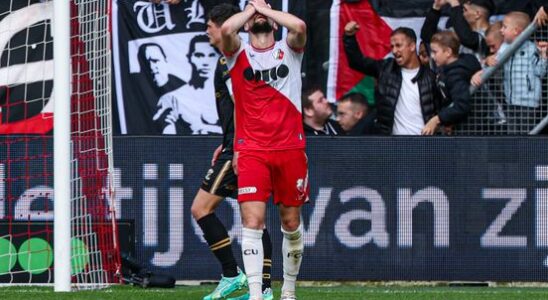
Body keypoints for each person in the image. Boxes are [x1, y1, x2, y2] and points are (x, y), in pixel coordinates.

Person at [221, 1, 308, 299]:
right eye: (252, 12)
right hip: (252, 149)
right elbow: (226, 29)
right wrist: (252, 10)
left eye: (265, 11)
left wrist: (264, 11)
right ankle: (257, 294)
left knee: (291, 223)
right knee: (252, 222)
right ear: (246, 24)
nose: (258, 14)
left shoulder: (290, 49)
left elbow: (299, 27)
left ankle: (289, 290)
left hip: (290, 147)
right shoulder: (237, 53)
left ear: (274, 22)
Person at [191, 4, 274, 300]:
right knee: (253, 216)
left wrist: (237, 145)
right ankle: (261, 289)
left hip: (242, 148)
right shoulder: (235, 57)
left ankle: (232, 274)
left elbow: (243, 104)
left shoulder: (231, 59)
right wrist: (227, 139)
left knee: (201, 208)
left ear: (224, 25)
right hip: (239, 144)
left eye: (209, 26)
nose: (207, 31)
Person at [344, 22, 440, 135]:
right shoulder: (385, 69)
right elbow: (357, 62)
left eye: (398, 45)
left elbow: (442, 109)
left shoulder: (431, 77)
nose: (394, 51)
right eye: (392, 47)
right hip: (392, 145)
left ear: (412, 46)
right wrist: (349, 37)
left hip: (424, 145)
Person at [155, 34, 222, 134]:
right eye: (199, 55)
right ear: (190, 57)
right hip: (185, 149)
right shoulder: (172, 99)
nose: (205, 62)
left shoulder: (231, 95)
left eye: (211, 55)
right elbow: (165, 137)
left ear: (220, 58)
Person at [422, 31, 481, 135]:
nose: (432, 56)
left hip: (467, 132)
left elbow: (461, 105)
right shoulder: (449, 69)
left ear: (448, 52)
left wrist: (436, 119)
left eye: (435, 52)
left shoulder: (456, 75)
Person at [421, 0, 494, 61]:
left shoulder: (493, 33)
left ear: (477, 14)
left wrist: (454, 4)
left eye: (465, 10)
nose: (461, 13)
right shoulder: (458, 31)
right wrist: (436, 8)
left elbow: (468, 39)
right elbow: (427, 36)